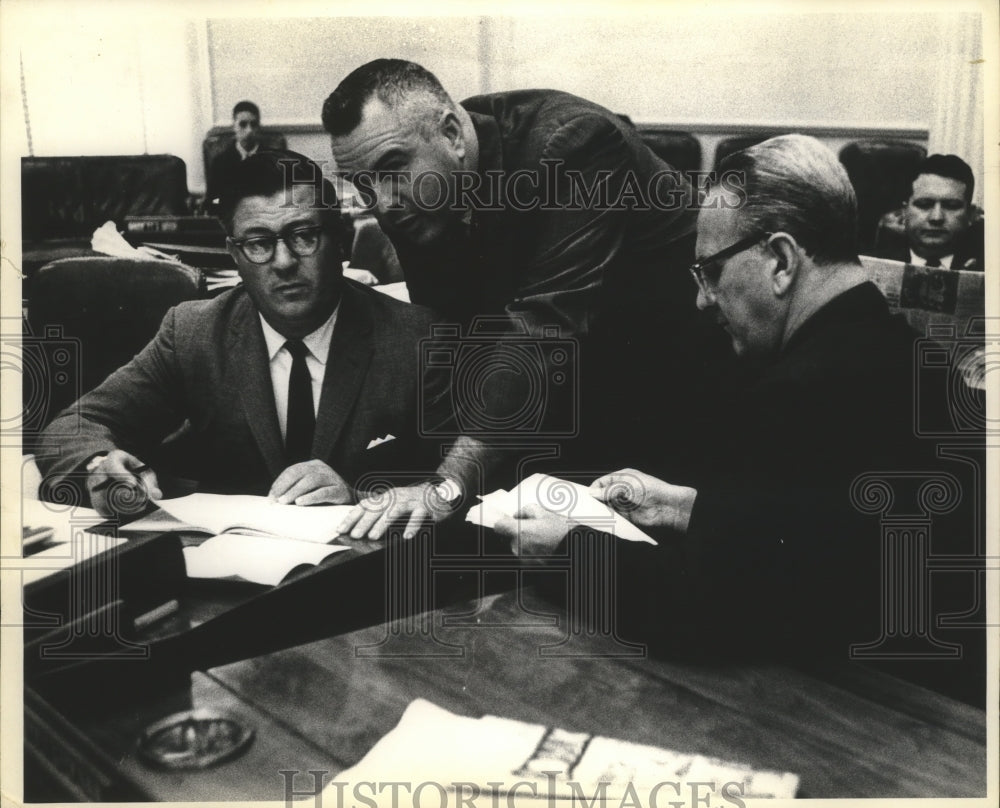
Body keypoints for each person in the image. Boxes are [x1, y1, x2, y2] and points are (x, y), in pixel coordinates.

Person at [496, 135, 984, 705]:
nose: (704, 300)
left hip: (880, 712)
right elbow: (811, 533)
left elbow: (702, 612)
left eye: (710, 272)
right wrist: (680, 506)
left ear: (780, 260)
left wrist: (563, 551)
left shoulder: (801, 388)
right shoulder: (897, 350)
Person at [323, 59, 731, 539]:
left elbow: (539, 333)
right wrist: (360, 480)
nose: (384, 203)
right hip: (564, 398)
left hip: (683, 397)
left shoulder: (574, 143)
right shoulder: (424, 189)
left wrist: (446, 485)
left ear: (453, 135)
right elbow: (454, 343)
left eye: (392, 170)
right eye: (363, 183)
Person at [36, 150, 449, 517]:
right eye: (258, 243)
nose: (283, 262)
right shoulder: (194, 333)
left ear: (340, 241)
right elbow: (74, 424)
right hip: (231, 577)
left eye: (304, 236)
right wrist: (98, 465)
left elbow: (464, 478)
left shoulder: (414, 338)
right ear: (235, 254)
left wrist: (360, 496)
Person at [875, 154, 984, 270]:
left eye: (951, 206)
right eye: (924, 205)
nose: (936, 217)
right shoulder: (871, 267)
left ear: (970, 214)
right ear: (904, 211)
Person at [204, 101, 263, 211]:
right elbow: (212, 200)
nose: (249, 131)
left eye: (253, 124)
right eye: (243, 124)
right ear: (234, 127)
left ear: (259, 127)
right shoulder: (220, 162)